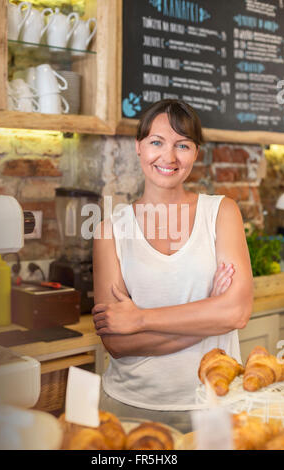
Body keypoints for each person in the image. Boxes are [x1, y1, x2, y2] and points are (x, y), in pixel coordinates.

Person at [92, 99, 253, 433]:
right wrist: (210, 315)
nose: (169, 157)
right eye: (156, 142)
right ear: (138, 147)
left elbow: (236, 314)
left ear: (195, 153)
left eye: (182, 145)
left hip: (215, 404)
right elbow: (118, 344)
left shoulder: (221, 212)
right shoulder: (110, 230)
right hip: (129, 407)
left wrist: (140, 319)